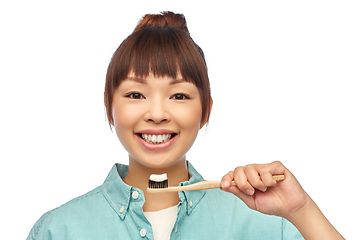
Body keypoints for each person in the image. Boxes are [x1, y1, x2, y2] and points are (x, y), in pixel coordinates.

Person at [27, 11, 344, 240]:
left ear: (205, 109)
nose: (157, 113)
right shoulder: (59, 230)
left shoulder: (265, 223)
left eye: (179, 95)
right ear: (109, 105)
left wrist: (301, 210)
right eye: (136, 94)